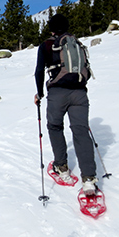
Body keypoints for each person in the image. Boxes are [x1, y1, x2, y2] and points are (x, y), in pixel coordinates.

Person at [34, 14, 98, 195]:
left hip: (57, 94)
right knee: (81, 132)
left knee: (54, 127)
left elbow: (39, 71)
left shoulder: (47, 45)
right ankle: (89, 180)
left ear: (52, 28)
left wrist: (40, 93)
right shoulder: (76, 44)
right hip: (79, 93)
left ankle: (61, 167)